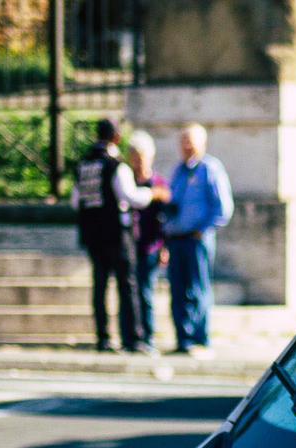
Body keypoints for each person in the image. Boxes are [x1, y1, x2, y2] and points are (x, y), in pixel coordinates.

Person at [71, 118, 166, 354]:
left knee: (100, 286)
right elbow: (130, 196)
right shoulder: (116, 165)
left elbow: (75, 201)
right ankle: (133, 338)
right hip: (116, 234)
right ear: (117, 138)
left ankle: (103, 337)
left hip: (92, 235)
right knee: (127, 285)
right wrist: (152, 194)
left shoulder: (84, 165)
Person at [164, 123, 234, 356]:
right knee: (178, 290)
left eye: (190, 142)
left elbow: (223, 208)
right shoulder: (179, 171)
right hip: (176, 238)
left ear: (202, 144)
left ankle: (200, 337)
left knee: (197, 288)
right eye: (183, 141)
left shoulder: (210, 169)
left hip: (196, 239)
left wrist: (202, 230)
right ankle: (183, 338)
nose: (186, 146)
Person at [127, 131, 169, 353]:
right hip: (130, 246)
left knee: (146, 292)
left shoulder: (159, 183)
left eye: (141, 157)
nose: (138, 162)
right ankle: (131, 337)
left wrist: (165, 247)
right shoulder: (127, 182)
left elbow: (166, 219)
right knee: (130, 293)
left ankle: (149, 336)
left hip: (151, 246)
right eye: (134, 157)